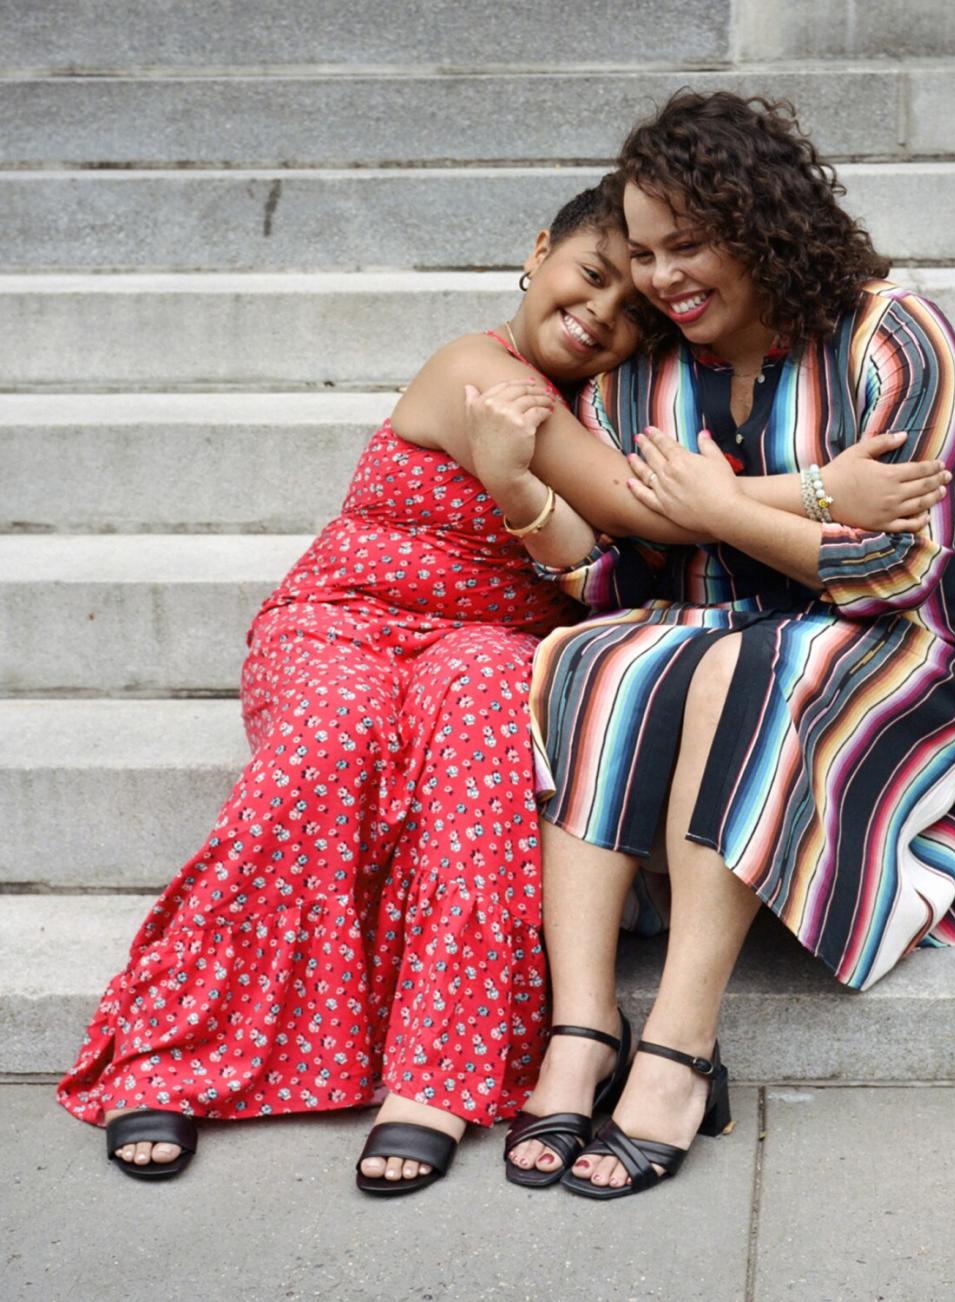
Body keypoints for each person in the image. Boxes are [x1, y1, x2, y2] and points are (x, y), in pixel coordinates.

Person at [56, 181, 656, 1195]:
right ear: (540, 246)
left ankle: (441, 1071)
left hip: (486, 640)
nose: (601, 313)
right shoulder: (479, 367)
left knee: (478, 721)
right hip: (345, 619)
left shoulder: (607, 408)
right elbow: (628, 512)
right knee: (338, 730)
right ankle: (171, 1047)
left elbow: (588, 550)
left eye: (632, 312)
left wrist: (525, 494)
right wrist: (818, 501)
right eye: (591, 276)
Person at [497, 92, 955, 1199]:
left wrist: (722, 509)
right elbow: (620, 568)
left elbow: (899, 564)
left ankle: (681, 1051)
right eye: (641, 252)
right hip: (712, 622)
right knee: (599, 659)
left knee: (746, 664)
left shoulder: (893, 335)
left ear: (762, 222)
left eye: (687, 244)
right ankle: (583, 1026)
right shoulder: (636, 375)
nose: (661, 277)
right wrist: (539, 511)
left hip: (896, 638)